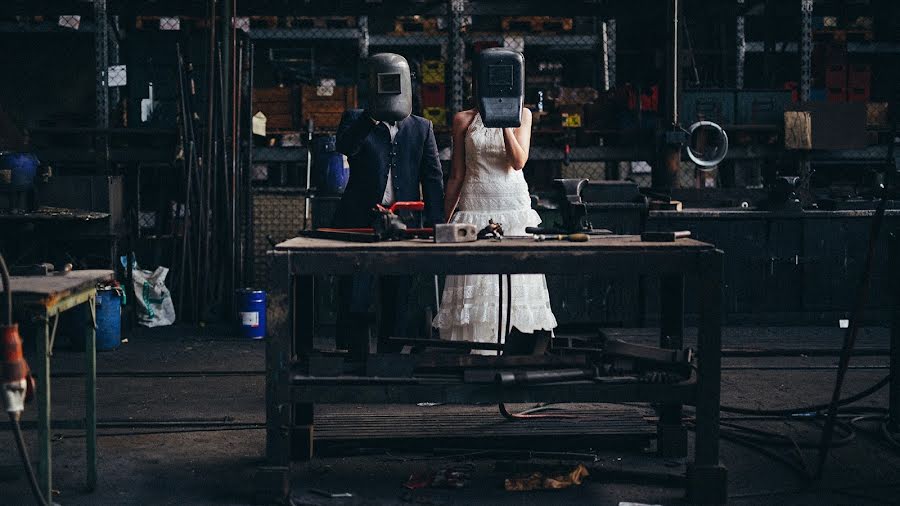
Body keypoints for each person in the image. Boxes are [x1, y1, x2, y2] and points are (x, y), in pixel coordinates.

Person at [433, 60, 557, 354]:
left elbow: (518, 161)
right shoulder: (463, 120)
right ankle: (479, 357)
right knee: (477, 281)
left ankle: (515, 355)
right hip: (475, 204)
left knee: (516, 280)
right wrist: (441, 220)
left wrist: (502, 122)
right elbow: (456, 174)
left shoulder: (523, 115)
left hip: (512, 205)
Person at [333, 53, 444, 357]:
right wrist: (372, 116)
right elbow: (345, 147)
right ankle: (354, 358)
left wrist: (437, 226)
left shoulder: (422, 128)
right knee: (356, 293)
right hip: (359, 221)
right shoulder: (356, 120)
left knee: (398, 295)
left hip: (404, 225)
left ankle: (390, 359)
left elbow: (433, 180)